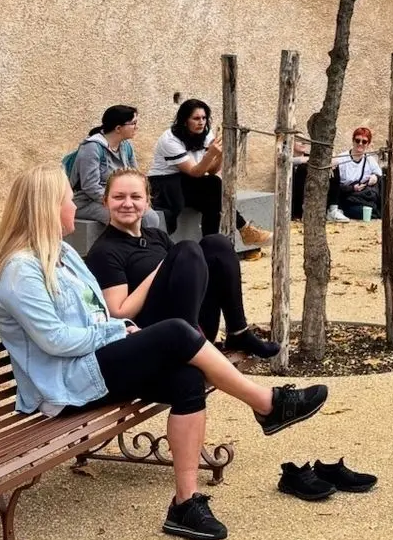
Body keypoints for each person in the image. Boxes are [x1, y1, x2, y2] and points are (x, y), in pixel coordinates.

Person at [0, 163, 328, 540]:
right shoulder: (21, 271)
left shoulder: (61, 254)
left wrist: (118, 332)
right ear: (47, 207)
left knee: (187, 378)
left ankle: (185, 503)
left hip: (91, 365)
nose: (74, 206)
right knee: (177, 332)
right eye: (68, 199)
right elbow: (56, 340)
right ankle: (267, 403)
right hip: (64, 386)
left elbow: (92, 315)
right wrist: (117, 330)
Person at [85, 168, 280, 358]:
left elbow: (184, 273)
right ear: (105, 201)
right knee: (187, 249)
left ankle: (238, 332)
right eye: (119, 197)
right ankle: (188, 339)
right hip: (155, 334)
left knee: (216, 244)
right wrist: (160, 270)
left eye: (135, 197)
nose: (127, 204)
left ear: (147, 202)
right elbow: (119, 314)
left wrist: (176, 264)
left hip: (195, 324)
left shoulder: (157, 236)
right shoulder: (104, 251)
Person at [147, 100, 273, 249]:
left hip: (188, 181)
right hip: (165, 184)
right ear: (185, 121)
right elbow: (195, 172)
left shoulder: (206, 134)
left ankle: (211, 246)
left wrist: (221, 154)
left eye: (204, 118)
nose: (201, 122)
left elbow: (211, 170)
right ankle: (243, 230)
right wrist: (211, 154)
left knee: (213, 197)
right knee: (213, 186)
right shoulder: (170, 139)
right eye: (196, 118)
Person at [69, 105, 150, 228]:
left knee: (150, 217)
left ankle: (148, 241)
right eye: (133, 123)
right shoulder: (92, 147)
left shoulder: (126, 146)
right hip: (87, 201)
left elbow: (136, 177)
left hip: (120, 198)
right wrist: (116, 200)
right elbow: (90, 186)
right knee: (123, 219)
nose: (136, 127)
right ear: (118, 128)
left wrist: (139, 198)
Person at [329, 128, 383, 222]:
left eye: (364, 142)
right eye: (357, 140)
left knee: (384, 182)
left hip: (364, 195)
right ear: (353, 141)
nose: (360, 144)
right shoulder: (341, 159)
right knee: (360, 211)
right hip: (348, 197)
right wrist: (353, 188)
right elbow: (335, 186)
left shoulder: (369, 159)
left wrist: (375, 177)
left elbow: (379, 175)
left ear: (368, 144)